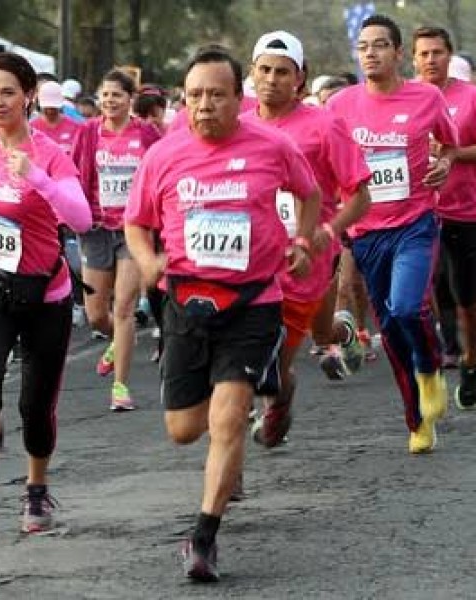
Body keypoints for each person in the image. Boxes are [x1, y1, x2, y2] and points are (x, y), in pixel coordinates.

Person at [125, 48, 320, 583]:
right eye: (194, 96)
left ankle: (203, 537)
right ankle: (248, 394)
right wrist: (147, 261)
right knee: (185, 430)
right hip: (186, 301)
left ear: (240, 98)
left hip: (253, 300)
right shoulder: (164, 155)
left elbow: (310, 194)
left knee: (229, 416)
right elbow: (136, 223)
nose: (204, 106)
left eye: (216, 94)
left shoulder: (273, 146)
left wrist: (302, 240)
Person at [0, 52, 91, 533]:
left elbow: (82, 219)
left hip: (44, 294)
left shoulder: (50, 154)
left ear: (27, 95)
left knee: (36, 404)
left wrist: (37, 177)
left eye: (7, 92)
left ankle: (36, 491)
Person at [327, 14, 458, 453]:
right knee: (389, 327)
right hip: (367, 234)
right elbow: (325, 160)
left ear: (398, 52)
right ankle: (417, 420)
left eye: (380, 45)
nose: (370, 53)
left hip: (416, 223)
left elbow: (450, 145)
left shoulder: (425, 97)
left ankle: (430, 367)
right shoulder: (340, 106)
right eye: (363, 46)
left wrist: (443, 164)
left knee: (407, 307)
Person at [244, 31, 371, 448]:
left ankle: (340, 335)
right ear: (252, 72)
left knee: (313, 339)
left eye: (283, 72)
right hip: (253, 260)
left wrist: (327, 232)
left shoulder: (325, 124)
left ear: (300, 78)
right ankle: (249, 428)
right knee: (256, 355)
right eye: (264, 69)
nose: (272, 79)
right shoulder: (240, 124)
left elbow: (360, 195)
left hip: (310, 260)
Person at [71, 68, 160, 411]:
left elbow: (160, 170)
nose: (109, 101)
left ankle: (120, 387)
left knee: (123, 310)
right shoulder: (88, 133)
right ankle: (115, 344)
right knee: (96, 315)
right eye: (105, 95)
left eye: (117, 95)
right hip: (95, 229)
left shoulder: (146, 134)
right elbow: (77, 174)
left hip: (133, 229)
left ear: (131, 99)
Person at [413, 26, 476, 409]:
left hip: (466, 209)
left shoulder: (469, 96)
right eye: (423, 53)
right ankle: (439, 350)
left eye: (437, 52)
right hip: (420, 211)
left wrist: (450, 151)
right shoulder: (408, 97)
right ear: (413, 58)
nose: (430, 60)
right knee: (422, 293)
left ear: (448, 55)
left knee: (466, 297)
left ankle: (470, 361)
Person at [31, 80, 82, 155]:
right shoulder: (31, 128)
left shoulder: (75, 127)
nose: (50, 111)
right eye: (47, 107)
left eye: (53, 107)